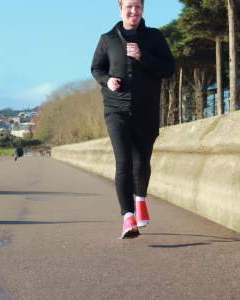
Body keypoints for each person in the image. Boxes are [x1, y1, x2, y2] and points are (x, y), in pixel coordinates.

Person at [91, 0, 175, 239]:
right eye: (128, 6)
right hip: (116, 109)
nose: (133, 11)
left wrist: (142, 56)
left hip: (146, 110)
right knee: (124, 162)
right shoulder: (107, 39)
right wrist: (106, 80)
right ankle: (128, 217)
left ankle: (141, 200)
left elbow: (168, 69)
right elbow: (96, 68)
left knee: (142, 162)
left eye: (137, 6)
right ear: (120, 9)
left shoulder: (154, 37)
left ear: (143, 9)